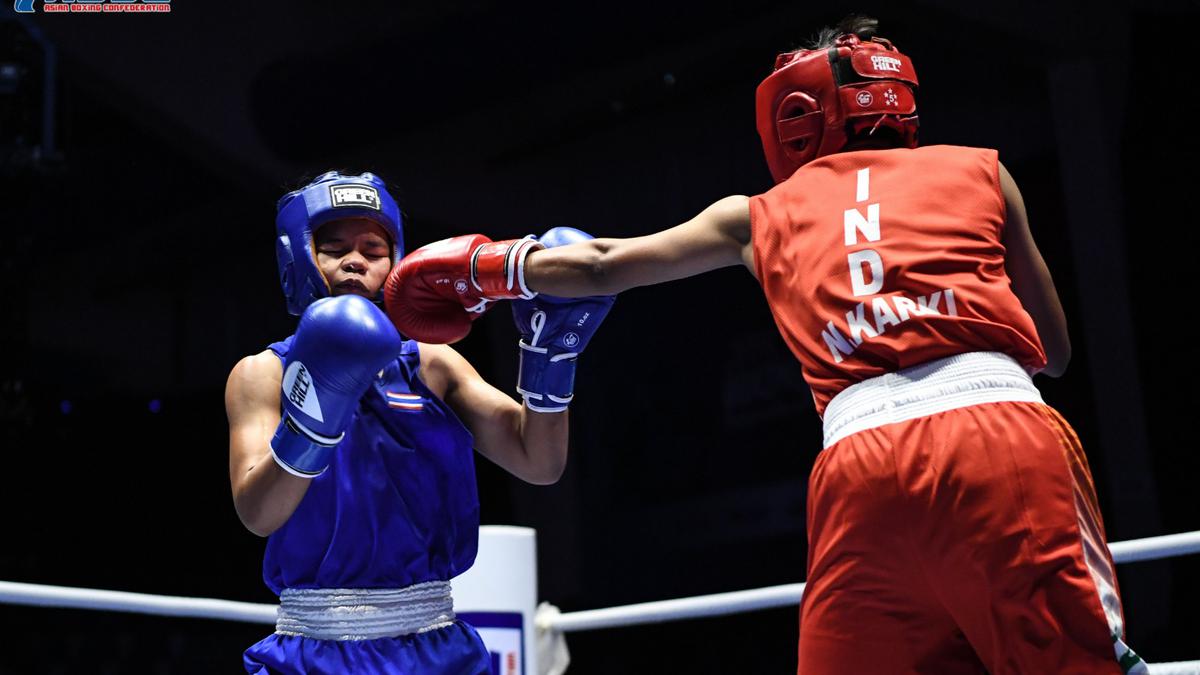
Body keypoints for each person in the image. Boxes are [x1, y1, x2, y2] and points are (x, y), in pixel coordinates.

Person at [385, 17, 1147, 675]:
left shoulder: (758, 213)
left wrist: (479, 267)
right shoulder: (983, 170)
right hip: (999, 437)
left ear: (794, 117)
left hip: (861, 466)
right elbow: (1052, 351)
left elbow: (599, 263)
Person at [224, 171, 612, 674]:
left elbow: (539, 462)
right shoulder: (263, 373)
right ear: (299, 257)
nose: (355, 259)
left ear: (397, 261)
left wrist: (551, 356)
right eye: (333, 246)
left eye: (373, 247)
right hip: (314, 653)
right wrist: (315, 411)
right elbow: (258, 514)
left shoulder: (433, 364)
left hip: (437, 649)